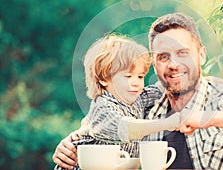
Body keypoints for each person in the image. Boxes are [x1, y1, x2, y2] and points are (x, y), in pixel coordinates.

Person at [53, 13, 223, 169]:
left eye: (183, 53)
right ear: (154, 62)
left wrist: (208, 119)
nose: (173, 64)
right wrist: (71, 142)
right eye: (163, 56)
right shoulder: (145, 102)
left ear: (201, 55)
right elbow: (102, 121)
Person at [54, 34, 180, 170]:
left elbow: (163, 87)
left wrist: (201, 80)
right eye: (128, 76)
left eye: (140, 76)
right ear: (103, 78)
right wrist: (167, 123)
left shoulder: (138, 99)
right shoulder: (102, 107)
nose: (136, 82)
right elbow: (125, 128)